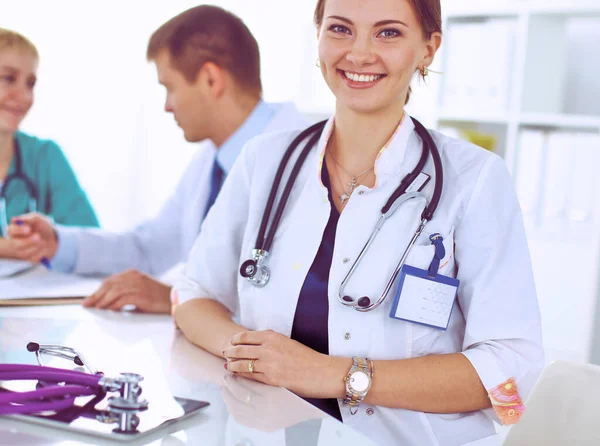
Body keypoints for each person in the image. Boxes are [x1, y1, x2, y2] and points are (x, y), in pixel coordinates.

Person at [170, 0, 544, 445]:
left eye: (388, 33)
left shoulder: (475, 181)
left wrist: (332, 375)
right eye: (341, 29)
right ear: (319, 37)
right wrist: (255, 355)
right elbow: (194, 294)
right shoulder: (264, 161)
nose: (359, 53)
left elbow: (510, 369)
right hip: (271, 432)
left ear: (428, 49)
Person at [5, 6, 308, 313]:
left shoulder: (304, 159)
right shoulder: (212, 161)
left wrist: (173, 298)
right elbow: (148, 248)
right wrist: (57, 243)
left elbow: (296, 302)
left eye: (170, 87)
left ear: (210, 80)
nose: (167, 106)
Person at [0, 28, 98, 259]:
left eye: (30, 83)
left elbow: (89, 239)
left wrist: (52, 239)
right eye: (8, 78)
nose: (24, 96)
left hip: (32, 294)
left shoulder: (45, 157)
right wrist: (8, 248)